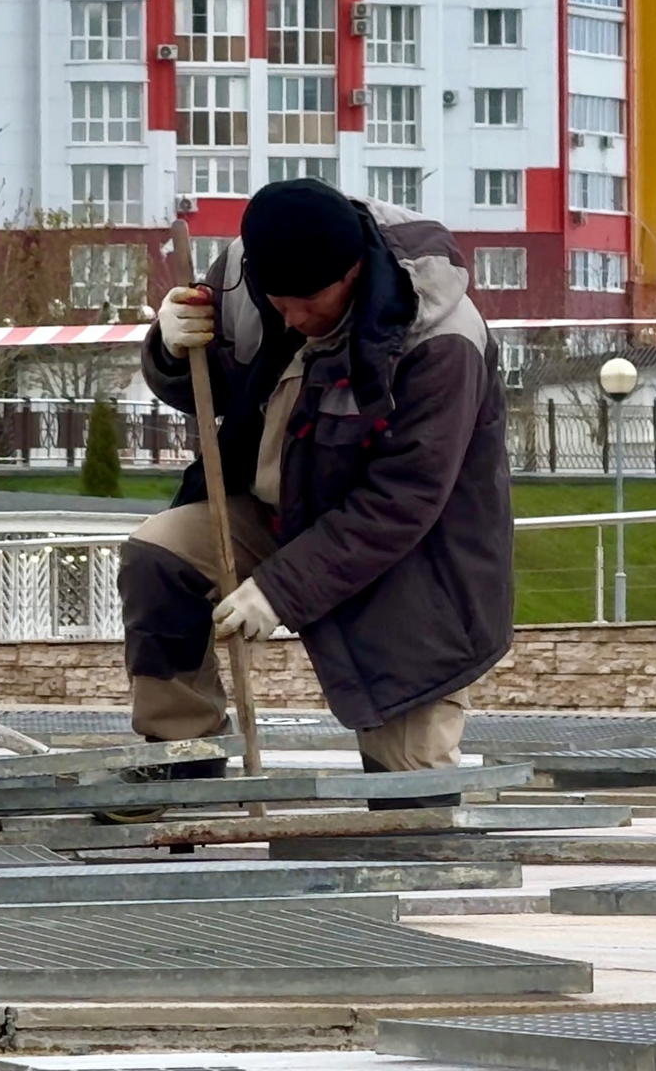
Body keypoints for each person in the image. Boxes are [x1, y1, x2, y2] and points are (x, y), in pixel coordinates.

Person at [123, 179, 513, 801]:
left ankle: (413, 816)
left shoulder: (439, 340)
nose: (293, 319)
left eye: (311, 302)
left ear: (354, 270)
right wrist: (170, 349)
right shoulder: (245, 282)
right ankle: (181, 759)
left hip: (409, 558)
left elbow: (402, 499)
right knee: (160, 557)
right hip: (278, 509)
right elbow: (208, 386)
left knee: (410, 798)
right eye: (280, 300)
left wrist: (278, 592)